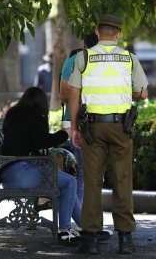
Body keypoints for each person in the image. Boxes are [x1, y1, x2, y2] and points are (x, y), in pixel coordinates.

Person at [68, 14, 148, 254]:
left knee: (92, 181)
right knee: (122, 180)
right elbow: (142, 93)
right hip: (121, 127)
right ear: (119, 34)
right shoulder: (129, 58)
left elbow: (74, 94)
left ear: (97, 31)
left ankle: (91, 240)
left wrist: (74, 127)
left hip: (92, 127)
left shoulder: (84, 57)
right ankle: (125, 240)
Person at [0, 86, 82, 245]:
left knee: (65, 182)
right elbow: (43, 141)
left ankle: (85, 227)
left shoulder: (13, 113)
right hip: (22, 173)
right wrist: (65, 133)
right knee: (70, 182)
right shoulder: (36, 117)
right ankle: (65, 230)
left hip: (7, 173)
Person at [60, 33, 99, 202]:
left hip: (72, 121)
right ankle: (81, 214)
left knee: (82, 169)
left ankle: (79, 212)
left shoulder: (72, 60)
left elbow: (63, 95)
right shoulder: (106, 61)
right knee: (89, 170)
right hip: (96, 122)